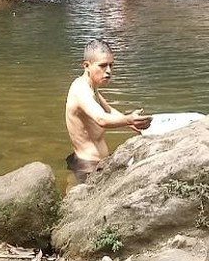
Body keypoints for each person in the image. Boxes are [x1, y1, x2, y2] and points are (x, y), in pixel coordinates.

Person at [65, 38, 151, 183]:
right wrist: (128, 119)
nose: (109, 71)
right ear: (87, 66)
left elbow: (108, 111)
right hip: (88, 166)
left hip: (94, 162)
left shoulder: (91, 87)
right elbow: (101, 120)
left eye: (111, 65)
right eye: (103, 66)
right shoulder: (80, 91)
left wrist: (131, 124)